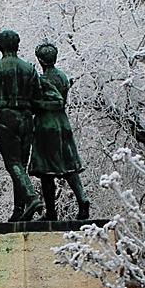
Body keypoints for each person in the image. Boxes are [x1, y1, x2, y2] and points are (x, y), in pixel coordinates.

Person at [0, 29, 43, 222]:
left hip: (7, 117)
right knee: (20, 164)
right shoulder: (29, 69)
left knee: (12, 163)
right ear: (17, 46)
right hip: (27, 117)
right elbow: (38, 97)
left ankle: (31, 198)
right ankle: (19, 210)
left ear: (0, 46)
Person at [29, 41, 89, 221]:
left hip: (47, 126)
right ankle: (82, 200)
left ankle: (51, 212)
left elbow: (54, 102)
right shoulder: (62, 77)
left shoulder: (41, 80)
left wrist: (35, 104)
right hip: (63, 124)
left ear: (40, 59)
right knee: (69, 166)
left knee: (46, 171)